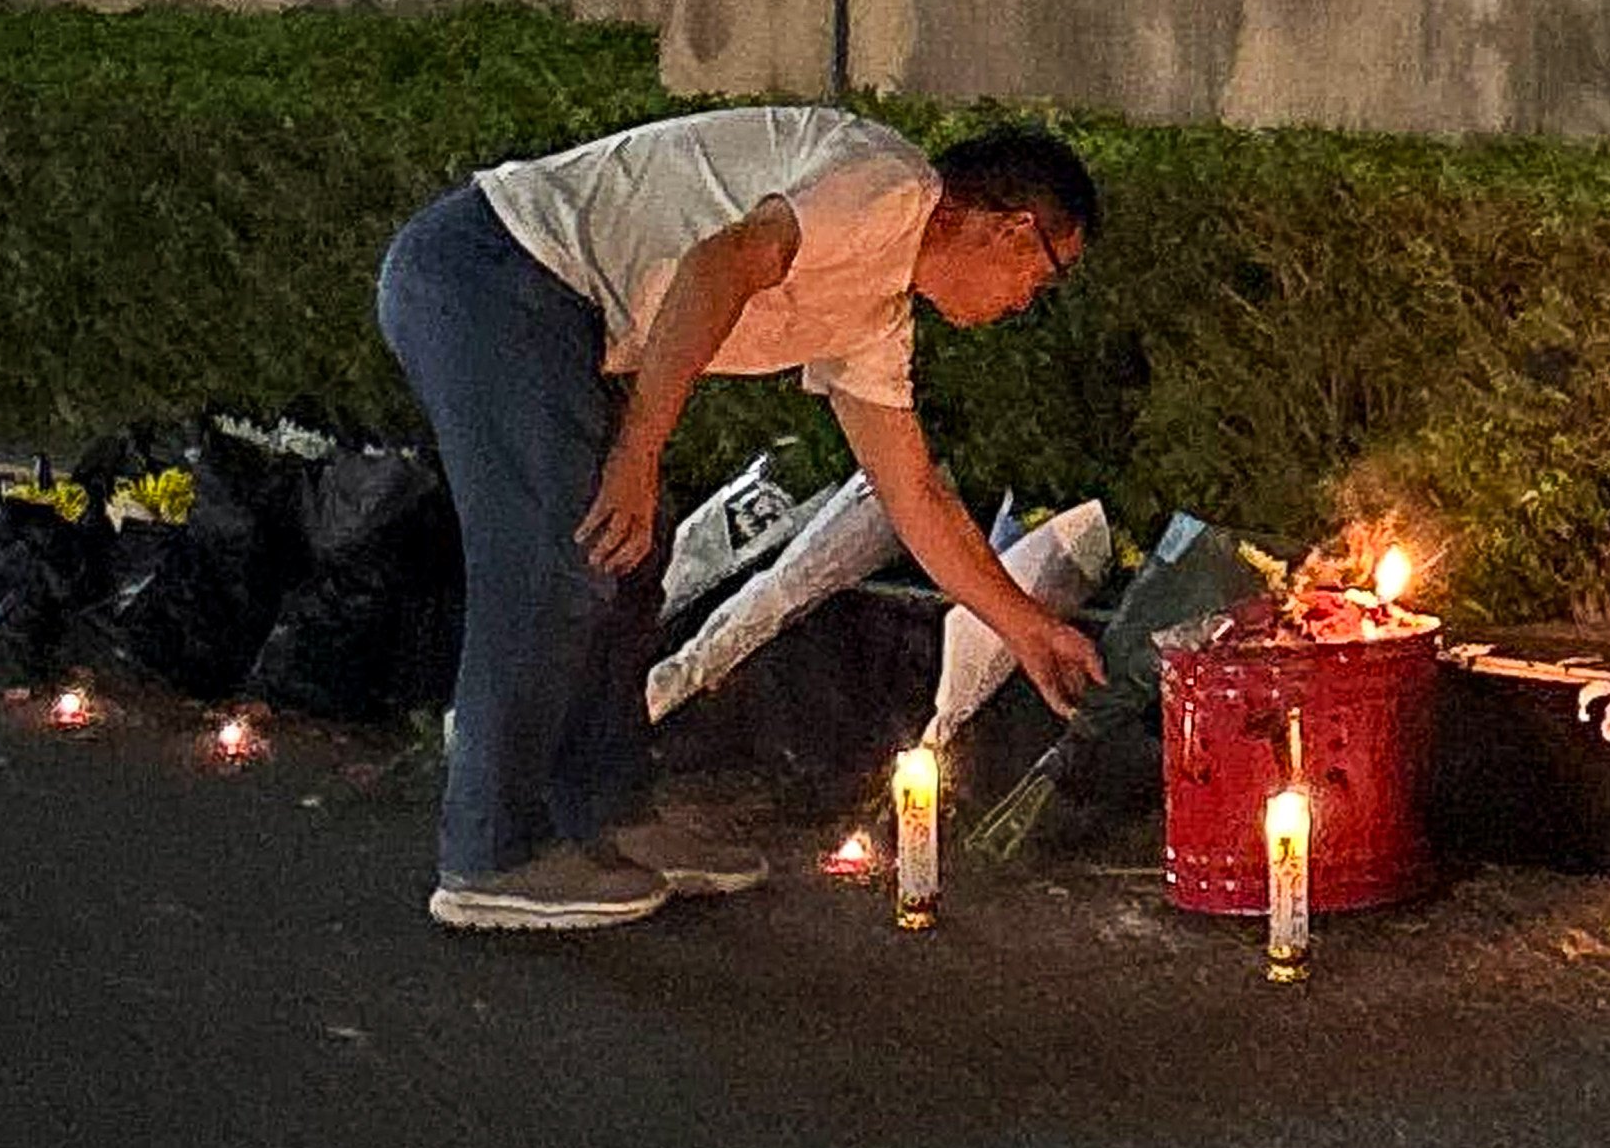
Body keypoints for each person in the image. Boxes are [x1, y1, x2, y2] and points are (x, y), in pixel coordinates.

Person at [376, 108, 1110, 931]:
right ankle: (488, 853)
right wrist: (637, 453)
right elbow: (721, 265)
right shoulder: (893, 190)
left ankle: (609, 813)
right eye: (1042, 276)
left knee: (626, 559)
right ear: (1011, 229)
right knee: (562, 558)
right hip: (489, 273)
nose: (1026, 301)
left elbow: (913, 494)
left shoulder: (874, 310)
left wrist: (1026, 629)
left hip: (553, 308)